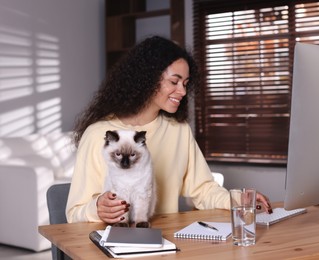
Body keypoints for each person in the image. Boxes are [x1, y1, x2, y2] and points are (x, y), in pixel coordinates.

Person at [65, 35, 272, 224]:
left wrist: (239, 199)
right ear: (147, 79)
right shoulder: (98, 135)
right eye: (174, 81)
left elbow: (203, 189)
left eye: (185, 83)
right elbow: (75, 212)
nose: (182, 91)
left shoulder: (178, 130)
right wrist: (98, 209)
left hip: (166, 242)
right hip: (111, 245)